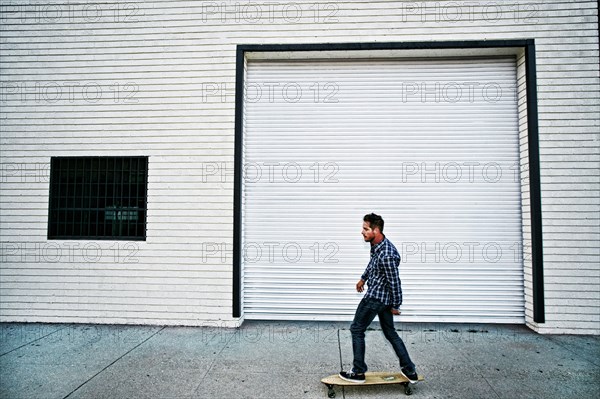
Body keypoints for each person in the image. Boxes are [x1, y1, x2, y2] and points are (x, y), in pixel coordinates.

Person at [339, 213, 418, 384]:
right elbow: (372, 264)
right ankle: (410, 370)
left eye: (366, 229)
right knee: (390, 333)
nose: (362, 232)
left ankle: (358, 372)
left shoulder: (387, 254)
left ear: (376, 230)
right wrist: (363, 278)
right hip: (382, 299)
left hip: (376, 298)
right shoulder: (377, 245)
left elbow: (395, 282)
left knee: (357, 329)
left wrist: (396, 304)